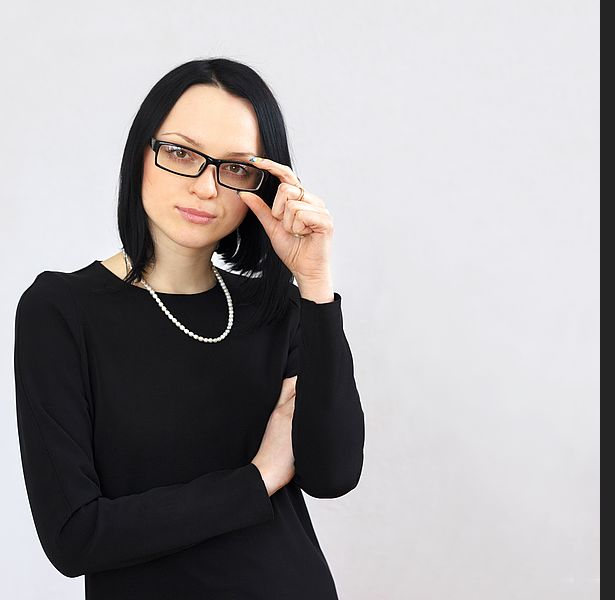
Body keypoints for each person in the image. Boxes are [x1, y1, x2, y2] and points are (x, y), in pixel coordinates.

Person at [13, 57, 365, 599]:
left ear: (261, 184)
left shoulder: (277, 310)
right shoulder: (61, 310)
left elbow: (333, 474)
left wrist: (315, 281)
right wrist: (259, 477)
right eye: (181, 153)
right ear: (142, 154)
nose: (207, 188)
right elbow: (75, 536)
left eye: (236, 168)